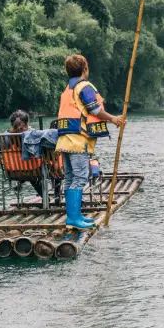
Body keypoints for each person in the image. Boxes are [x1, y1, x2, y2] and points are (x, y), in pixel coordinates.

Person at [54, 54, 125, 230]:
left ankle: (74, 216)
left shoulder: (68, 88)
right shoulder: (83, 86)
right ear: (85, 68)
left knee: (70, 177)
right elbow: (95, 109)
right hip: (77, 140)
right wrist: (113, 119)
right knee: (79, 177)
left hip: (64, 139)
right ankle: (73, 218)